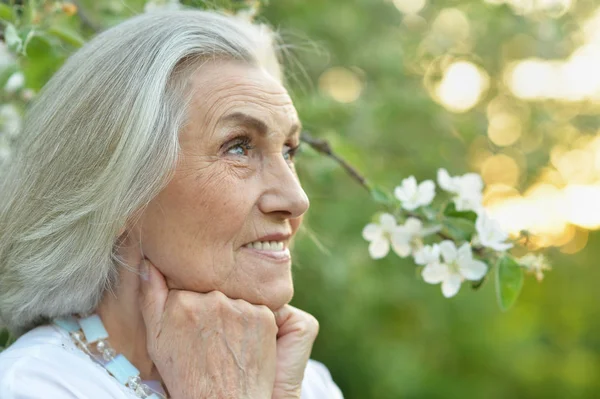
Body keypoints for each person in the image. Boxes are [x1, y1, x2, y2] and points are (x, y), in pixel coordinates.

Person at [0, 9, 343, 399]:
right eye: (239, 147)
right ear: (120, 187)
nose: (297, 199)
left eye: (289, 150)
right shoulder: (31, 386)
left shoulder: (307, 383)